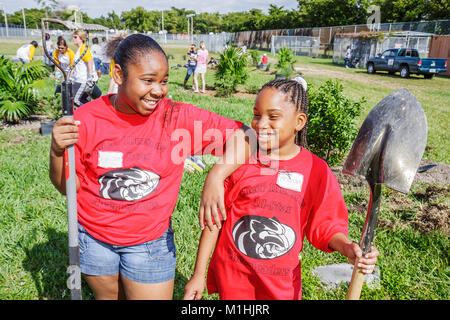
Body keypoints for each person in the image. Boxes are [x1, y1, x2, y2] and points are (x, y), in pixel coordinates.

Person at [49, 33, 250, 300]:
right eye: (148, 80)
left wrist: (216, 175)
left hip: (150, 245)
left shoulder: (177, 119)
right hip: (94, 240)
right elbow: (66, 188)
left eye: (164, 81)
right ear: (118, 74)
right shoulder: (85, 119)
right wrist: (56, 151)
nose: (158, 90)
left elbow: (248, 136)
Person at [184, 78, 380, 300]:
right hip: (234, 281)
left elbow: (326, 225)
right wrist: (199, 273)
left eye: (273, 116)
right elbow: (214, 219)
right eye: (257, 115)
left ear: (299, 121)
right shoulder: (241, 160)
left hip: (281, 286)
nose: (261, 124)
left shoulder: (316, 170)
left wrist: (346, 248)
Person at [70, 29, 101, 107]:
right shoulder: (80, 49)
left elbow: (89, 61)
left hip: (84, 80)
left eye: (75, 37)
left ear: (81, 38)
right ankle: (89, 115)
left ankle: (90, 111)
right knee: (85, 100)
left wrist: (90, 78)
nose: (73, 39)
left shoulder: (83, 48)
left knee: (75, 100)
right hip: (79, 79)